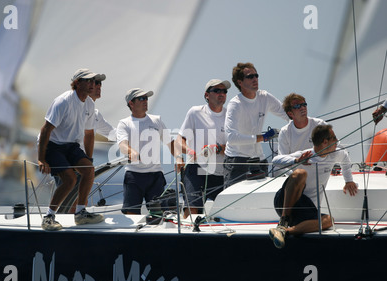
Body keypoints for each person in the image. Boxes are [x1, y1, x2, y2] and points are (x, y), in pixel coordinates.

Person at [38, 68, 106, 231]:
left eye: (93, 81)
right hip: (53, 146)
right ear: (76, 83)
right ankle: (49, 217)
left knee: (89, 171)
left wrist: (88, 159)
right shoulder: (63, 101)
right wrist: (42, 159)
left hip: (71, 146)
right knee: (70, 179)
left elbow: (89, 134)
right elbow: (46, 130)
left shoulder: (89, 104)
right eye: (88, 81)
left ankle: (81, 213)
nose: (92, 84)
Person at [270, 124, 358, 249]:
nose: (337, 141)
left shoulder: (335, 154)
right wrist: (296, 161)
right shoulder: (306, 155)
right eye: (334, 138)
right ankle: (283, 221)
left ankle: (285, 231)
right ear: (325, 142)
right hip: (286, 201)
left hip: (306, 210)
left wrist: (348, 180)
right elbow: (275, 160)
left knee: (329, 220)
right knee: (301, 173)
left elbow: (345, 158)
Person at [223, 62, 289, 187]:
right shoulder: (235, 104)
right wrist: (263, 138)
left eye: (256, 75)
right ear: (240, 82)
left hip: (259, 159)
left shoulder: (264, 97)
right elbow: (231, 138)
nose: (255, 79)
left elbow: (286, 114)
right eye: (250, 77)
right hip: (238, 161)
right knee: (235, 203)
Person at [175, 79, 230, 218]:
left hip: (221, 172)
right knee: (192, 209)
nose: (221, 93)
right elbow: (179, 139)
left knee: (227, 212)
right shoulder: (195, 112)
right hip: (197, 168)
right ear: (207, 95)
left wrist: (218, 148)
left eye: (224, 91)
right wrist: (188, 151)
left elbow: (236, 144)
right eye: (217, 90)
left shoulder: (231, 115)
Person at [116, 88, 174, 214]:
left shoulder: (156, 120)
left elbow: (170, 143)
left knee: (160, 214)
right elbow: (123, 145)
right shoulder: (124, 124)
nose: (145, 101)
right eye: (141, 98)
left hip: (155, 175)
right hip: (134, 175)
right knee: (131, 213)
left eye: (146, 98)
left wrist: (179, 158)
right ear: (131, 103)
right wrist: (132, 152)